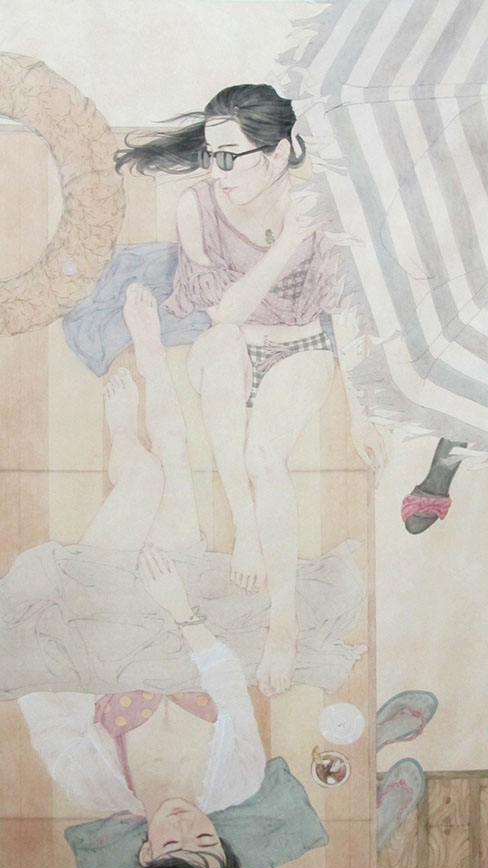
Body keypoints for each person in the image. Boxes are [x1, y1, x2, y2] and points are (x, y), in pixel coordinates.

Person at [115, 84, 385, 696]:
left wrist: (362, 414)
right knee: (221, 347)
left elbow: (344, 311)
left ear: (280, 151)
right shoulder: (198, 206)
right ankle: (246, 528)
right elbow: (226, 312)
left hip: (302, 344)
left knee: (265, 456)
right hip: (232, 341)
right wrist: (287, 242)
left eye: (229, 156)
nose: (216, 170)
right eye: (210, 155)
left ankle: (283, 623)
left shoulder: (321, 208)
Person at [18, 283, 267, 868]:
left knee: (145, 478)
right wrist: (178, 609)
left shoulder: (89, 783)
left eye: (174, 842)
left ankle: (123, 436)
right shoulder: (240, 778)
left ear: (147, 851)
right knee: (174, 467)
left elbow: (43, 691)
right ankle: (151, 354)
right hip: (181, 610)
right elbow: (229, 684)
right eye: (206, 837)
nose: (186, 823)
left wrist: (98, 617)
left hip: (97, 612)